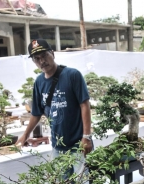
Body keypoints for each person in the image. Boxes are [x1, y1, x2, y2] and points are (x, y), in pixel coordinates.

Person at [15, 39, 92, 175]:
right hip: (58, 145)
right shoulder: (39, 82)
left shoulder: (72, 75)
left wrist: (86, 136)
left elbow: (84, 105)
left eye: (44, 55)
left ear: (52, 53)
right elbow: (36, 113)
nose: (41, 61)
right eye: (37, 58)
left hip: (78, 142)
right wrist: (25, 135)